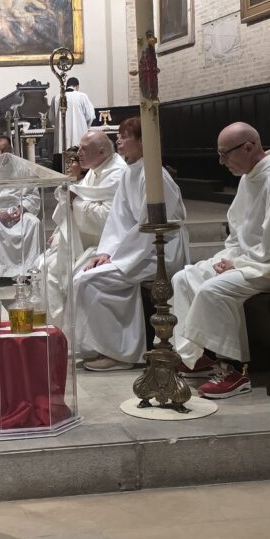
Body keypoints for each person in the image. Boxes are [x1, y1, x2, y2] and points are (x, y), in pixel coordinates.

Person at [171, 122, 270, 398]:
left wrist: (238, 264)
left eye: (225, 154)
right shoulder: (250, 177)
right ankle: (199, 357)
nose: (221, 162)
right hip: (253, 261)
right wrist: (229, 258)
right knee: (184, 277)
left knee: (213, 290)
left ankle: (234, 370)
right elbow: (238, 232)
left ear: (248, 146)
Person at [73, 118, 189, 371]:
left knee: (91, 281)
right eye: (119, 135)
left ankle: (121, 353)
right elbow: (118, 219)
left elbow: (152, 225)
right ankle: (103, 346)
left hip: (160, 249)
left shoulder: (155, 175)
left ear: (143, 141)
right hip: (136, 249)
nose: (118, 140)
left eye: (125, 136)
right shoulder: (131, 171)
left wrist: (117, 257)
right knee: (82, 274)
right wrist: (106, 252)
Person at [43, 131, 129, 324]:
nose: (78, 152)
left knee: (65, 275)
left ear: (101, 151)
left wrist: (75, 201)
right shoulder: (94, 170)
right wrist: (59, 232)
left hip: (106, 246)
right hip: (85, 241)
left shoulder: (118, 174)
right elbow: (77, 202)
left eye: (84, 149)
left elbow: (107, 219)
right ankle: (55, 327)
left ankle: (70, 328)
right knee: (45, 265)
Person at [0, 136, 42, 279]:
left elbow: (33, 194)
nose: (0, 154)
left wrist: (22, 208)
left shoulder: (23, 166)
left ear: (10, 150)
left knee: (34, 223)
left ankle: (29, 270)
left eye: (4, 150)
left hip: (19, 210)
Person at [49, 76, 95, 160]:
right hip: (79, 137)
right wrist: (84, 127)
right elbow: (90, 116)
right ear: (77, 86)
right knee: (80, 162)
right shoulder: (82, 96)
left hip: (61, 139)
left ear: (67, 86)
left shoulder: (56, 97)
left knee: (62, 163)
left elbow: (52, 118)